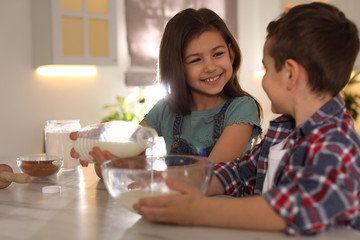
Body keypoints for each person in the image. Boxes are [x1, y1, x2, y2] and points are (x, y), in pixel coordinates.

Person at [133, 2, 360, 236]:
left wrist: (201, 210)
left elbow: (300, 206)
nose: (263, 80)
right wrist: (173, 182)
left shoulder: (336, 143)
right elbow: (239, 172)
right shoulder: (283, 133)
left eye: (267, 69)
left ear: (290, 75)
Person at [71, 8, 262, 165]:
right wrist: (101, 152)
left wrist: (138, 166)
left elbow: (211, 175)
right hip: (177, 207)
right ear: (177, 67)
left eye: (218, 54)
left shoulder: (242, 108)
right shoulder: (165, 110)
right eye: (195, 59)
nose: (210, 67)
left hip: (224, 208)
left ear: (231, 53)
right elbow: (123, 164)